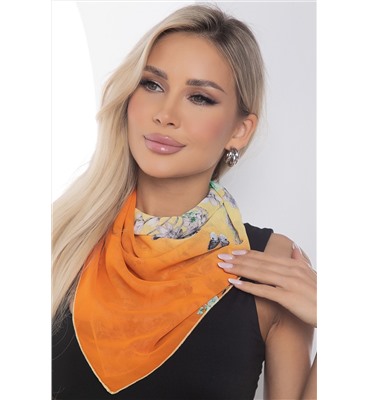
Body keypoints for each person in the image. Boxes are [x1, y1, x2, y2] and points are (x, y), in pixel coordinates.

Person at [52, 4, 317, 399]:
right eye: (152, 85)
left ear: (240, 131)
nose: (166, 114)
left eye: (199, 97)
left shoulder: (272, 265)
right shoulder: (61, 242)